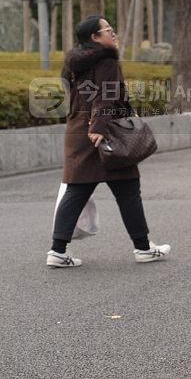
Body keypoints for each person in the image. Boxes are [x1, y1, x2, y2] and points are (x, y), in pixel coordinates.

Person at [48, 16, 170, 268]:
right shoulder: (106, 59)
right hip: (103, 133)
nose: (113, 35)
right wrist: (99, 127)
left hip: (78, 132)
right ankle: (143, 249)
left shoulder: (74, 61)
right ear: (95, 37)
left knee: (77, 189)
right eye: (109, 31)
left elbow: (74, 97)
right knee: (128, 191)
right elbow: (105, 95)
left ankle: (57, 252)